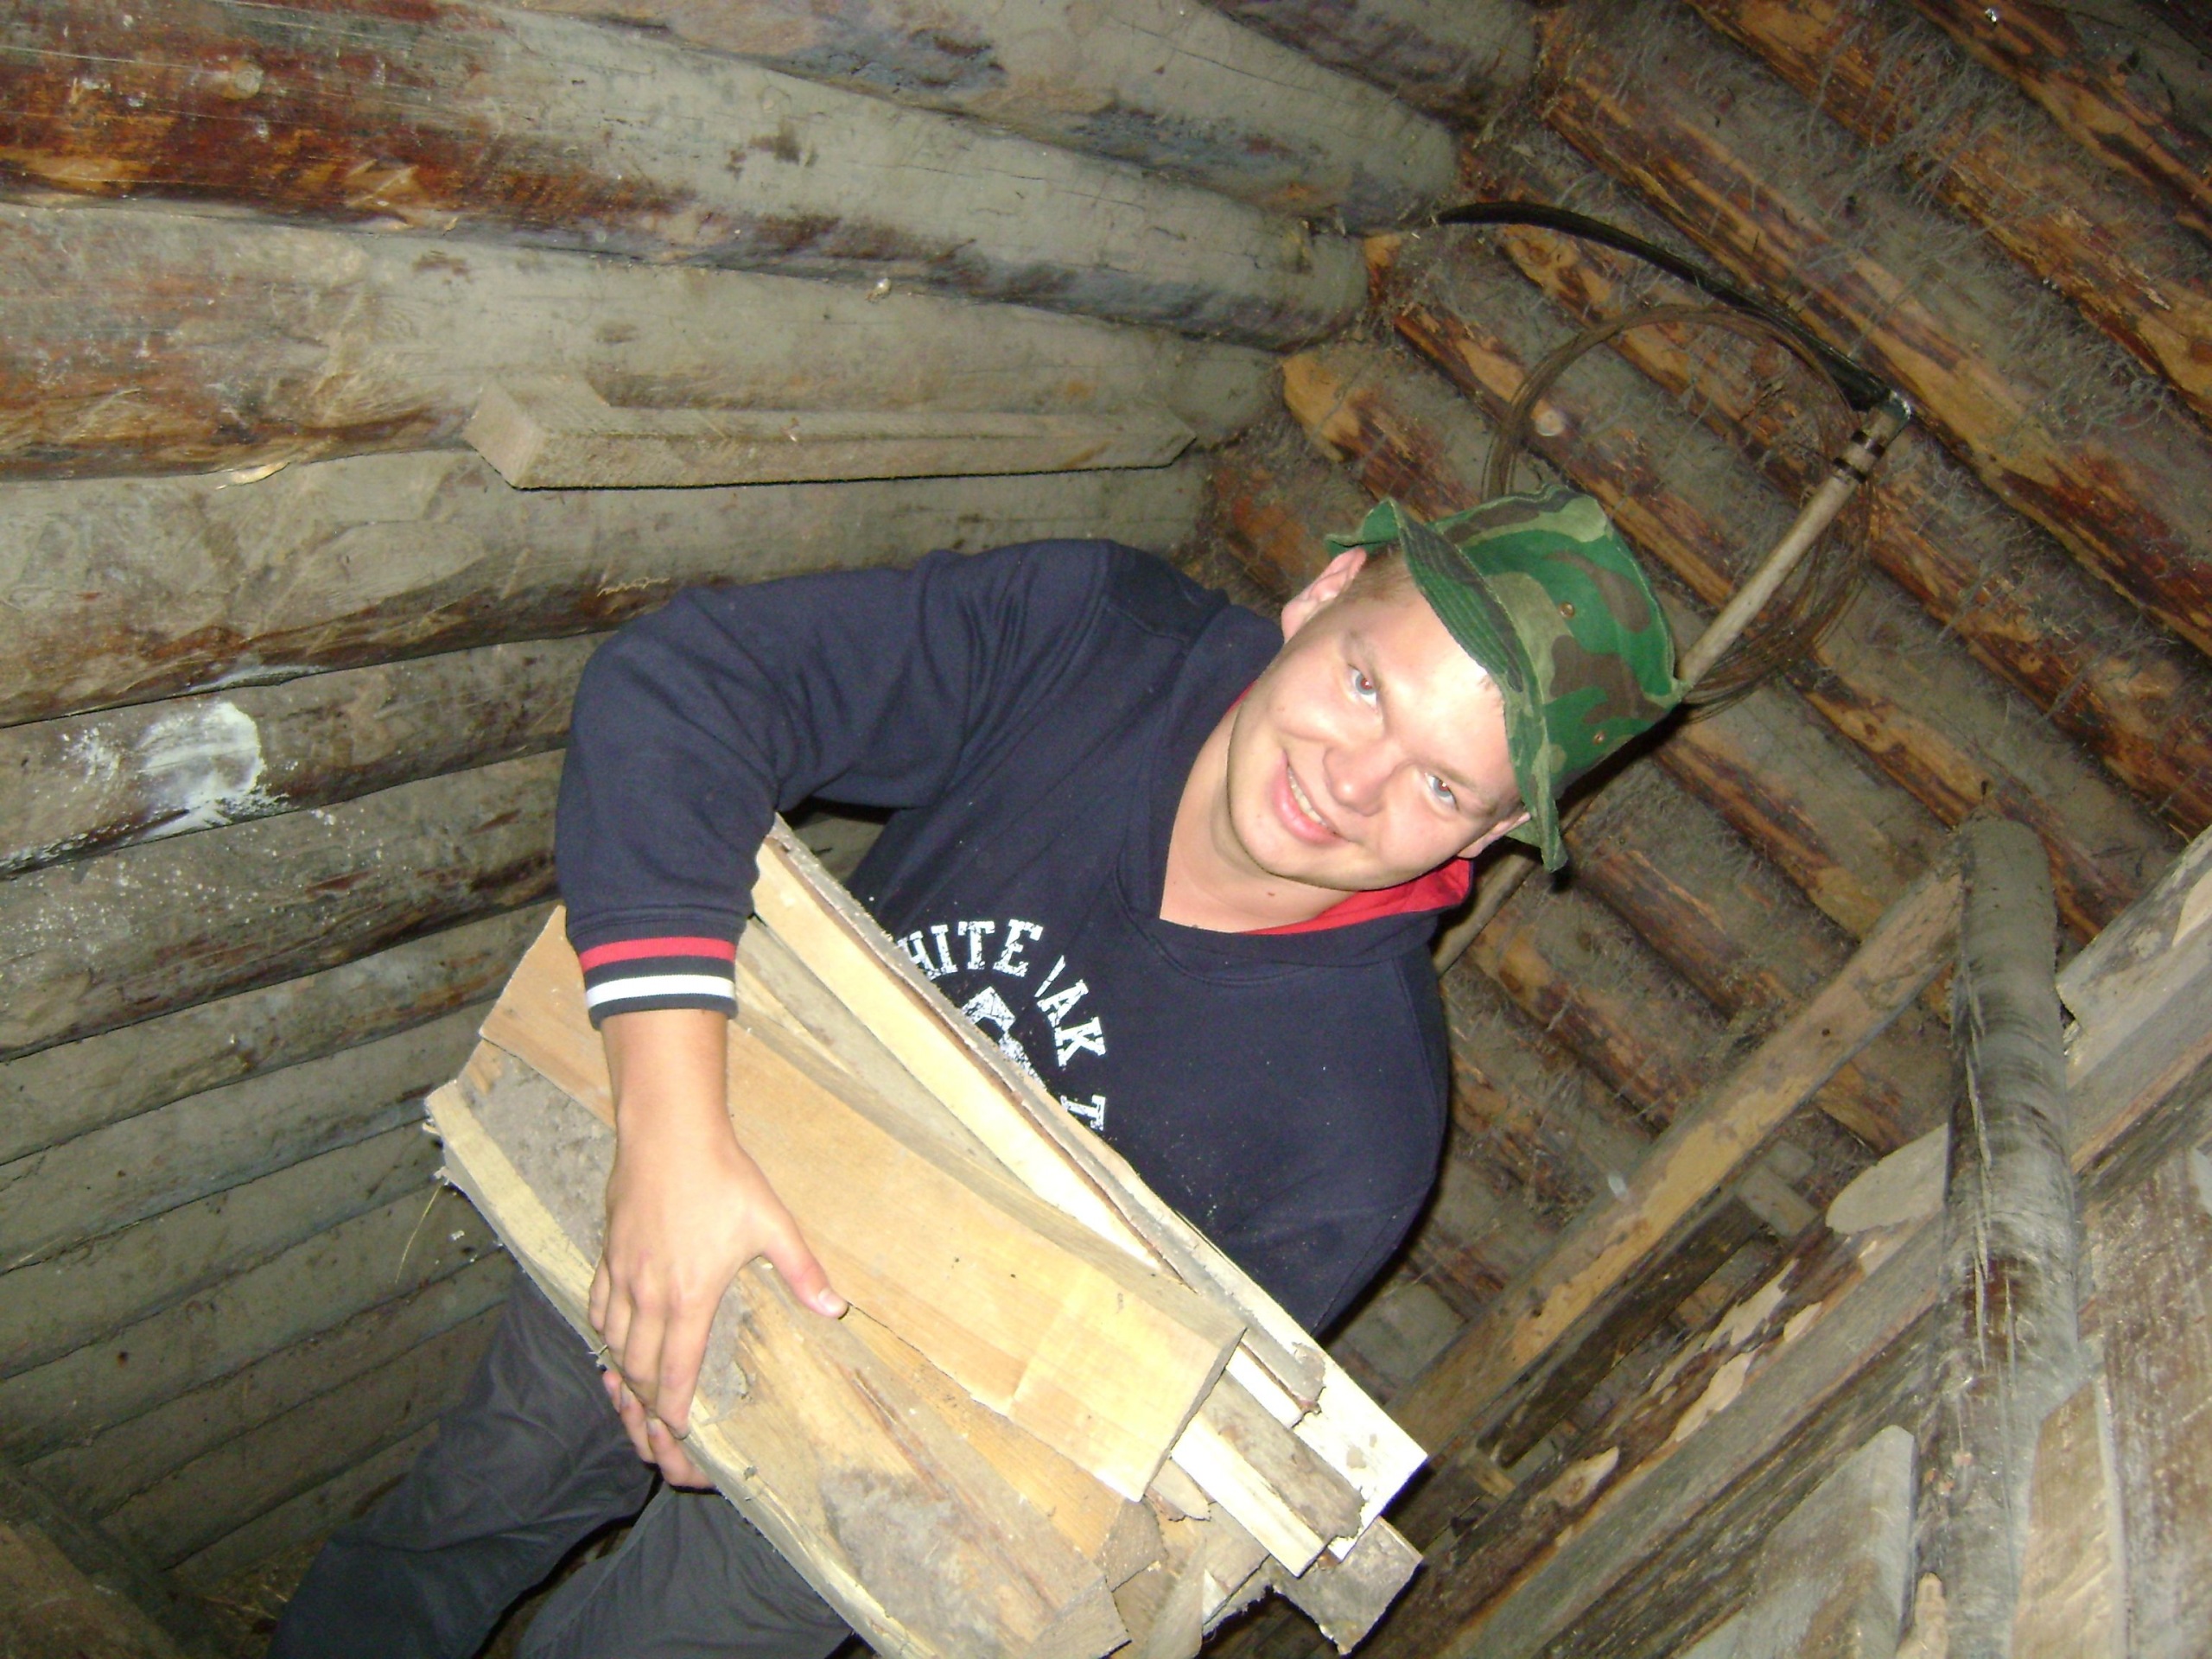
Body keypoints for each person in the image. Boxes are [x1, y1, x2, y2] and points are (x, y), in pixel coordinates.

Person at [269, 486, 1682, 1658]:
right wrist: (672, 1140)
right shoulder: (1088, 639)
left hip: (894, 1455)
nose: (1351, 780)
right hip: (688, 1160)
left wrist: (790, 1402)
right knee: (472, 1503)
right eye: (1366, 683)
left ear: (1486, 838)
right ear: (1320, 596)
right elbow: (686, 687)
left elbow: (1126, 1440)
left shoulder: (1358, 1130)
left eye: (1440, 785)